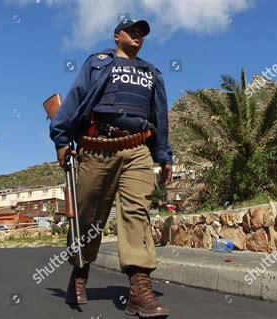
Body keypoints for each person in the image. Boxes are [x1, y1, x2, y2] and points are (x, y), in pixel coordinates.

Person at [49, 18, 173, 317]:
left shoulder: (151, 72)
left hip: (137, 150)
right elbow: (76, 97)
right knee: (88, 216)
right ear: (117, 35)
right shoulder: (99, 63)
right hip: (96, 149)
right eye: (132, 31)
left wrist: (164, 154)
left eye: (142, 33)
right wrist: (62, 138)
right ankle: (80, 271)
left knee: (137, 214)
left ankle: (139, 288)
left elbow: (160, 115)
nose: (138, 36)